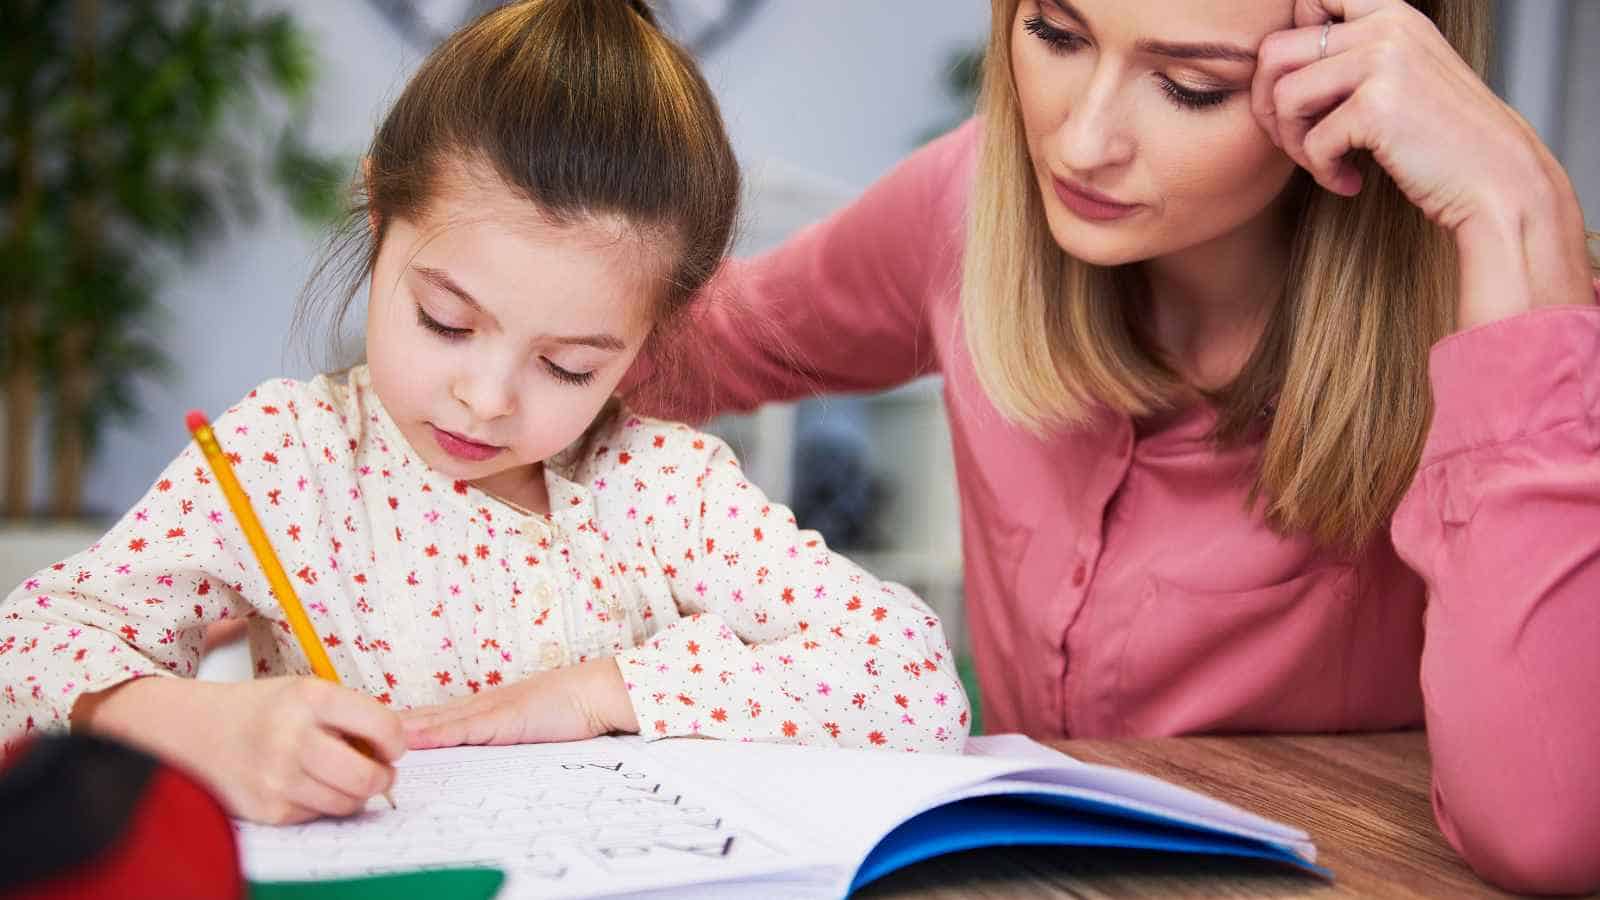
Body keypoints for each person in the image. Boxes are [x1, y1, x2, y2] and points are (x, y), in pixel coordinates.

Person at [628, 0, 1599, 893]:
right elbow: (664, 353)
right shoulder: (964, 203)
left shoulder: (1515, 333)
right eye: (1055, 32)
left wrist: (1516, 208)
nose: (1082, 141)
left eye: (1191, 86)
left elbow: (1549, 834)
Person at [0, 0, 968, 827]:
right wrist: (190, 723)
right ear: (381, 218)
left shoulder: (666, 488)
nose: (488, 397)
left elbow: (911, 680)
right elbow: (28, 646)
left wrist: (597, 695)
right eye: (446, 321)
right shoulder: (286, 458)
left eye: (567, 364)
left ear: (648, 338)